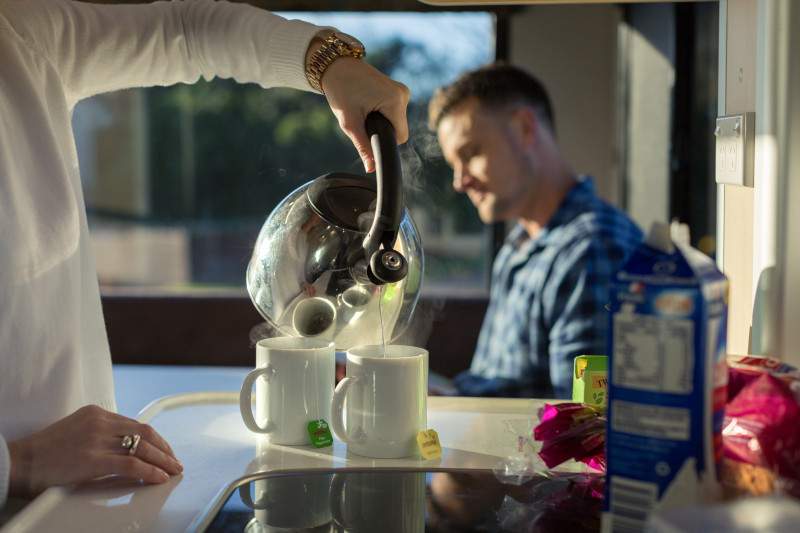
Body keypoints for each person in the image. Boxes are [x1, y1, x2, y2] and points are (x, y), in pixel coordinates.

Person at [0, 0, 409, 508]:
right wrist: (17, 463)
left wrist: (328, 62)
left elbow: (186, 31)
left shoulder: (20, 35)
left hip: (91, 496)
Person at [428, 62, 642, 399]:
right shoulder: (518, 247)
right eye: (454, 165)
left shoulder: (592, 249)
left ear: (524, 128)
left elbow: (585, 424)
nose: (460, 182)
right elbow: (502, 387)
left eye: (470, 154)